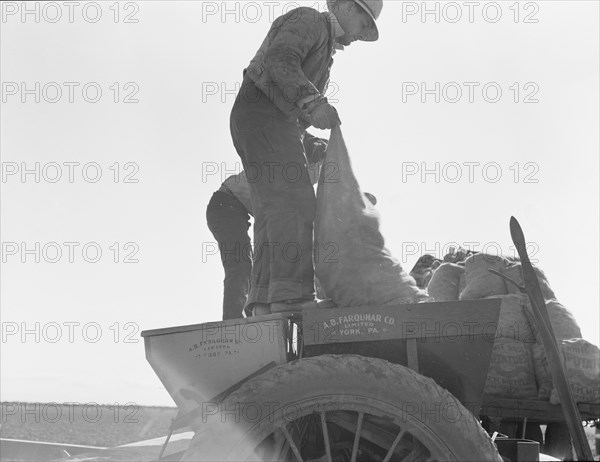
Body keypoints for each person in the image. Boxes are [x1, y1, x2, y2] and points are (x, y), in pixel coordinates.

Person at [229, 0, 383, 316]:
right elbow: (281, 60)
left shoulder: (325, 53)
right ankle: (289, 298)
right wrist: (314, 103)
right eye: (364, 23)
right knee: (295, 202)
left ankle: (264, 301)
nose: (361, 34)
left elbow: (298, 108)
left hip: (261, 119)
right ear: (348, 8)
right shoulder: (309, 19)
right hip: (264, 115)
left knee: (273, 209)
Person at [207, 133, 328, 320]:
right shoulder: (287, 165)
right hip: (225, 205)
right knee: (240, 265)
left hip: (238, 208)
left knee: (264, 264)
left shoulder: (310, 173)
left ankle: (254, 315)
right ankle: (233, 322)